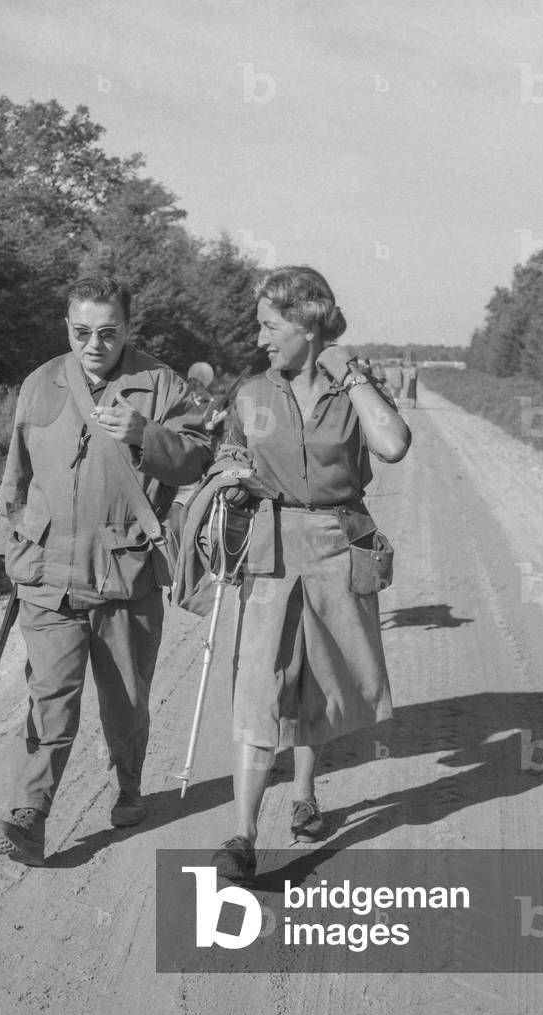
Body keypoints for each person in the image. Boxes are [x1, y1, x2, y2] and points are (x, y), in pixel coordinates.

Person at [0, 276, 211, 866]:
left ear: (127, 329)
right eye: (81, 332)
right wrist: (8, 550)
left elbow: (197, 461)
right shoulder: (41, 383)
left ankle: (128, 786)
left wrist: (146, 435)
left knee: (126, 701)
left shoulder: (162, 385)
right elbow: (16, 476)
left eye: (108, 333)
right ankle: (30, 815)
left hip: (125, 570)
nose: (94, 345)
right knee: (49, 697)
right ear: (67, 327)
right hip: (47, 572)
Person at [211, 265, 412, 881]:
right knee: (259, 684)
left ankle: (304, 793)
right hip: (269, 543)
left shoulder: (353, 390)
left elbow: (394, 445)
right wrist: (230, 478)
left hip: (335, 543)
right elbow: (228, 453)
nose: (260, 338)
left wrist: (349, 374)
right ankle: (243, 836)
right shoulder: (251, 394)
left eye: (271, 326)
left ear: (308, 324)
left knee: (320, 679)